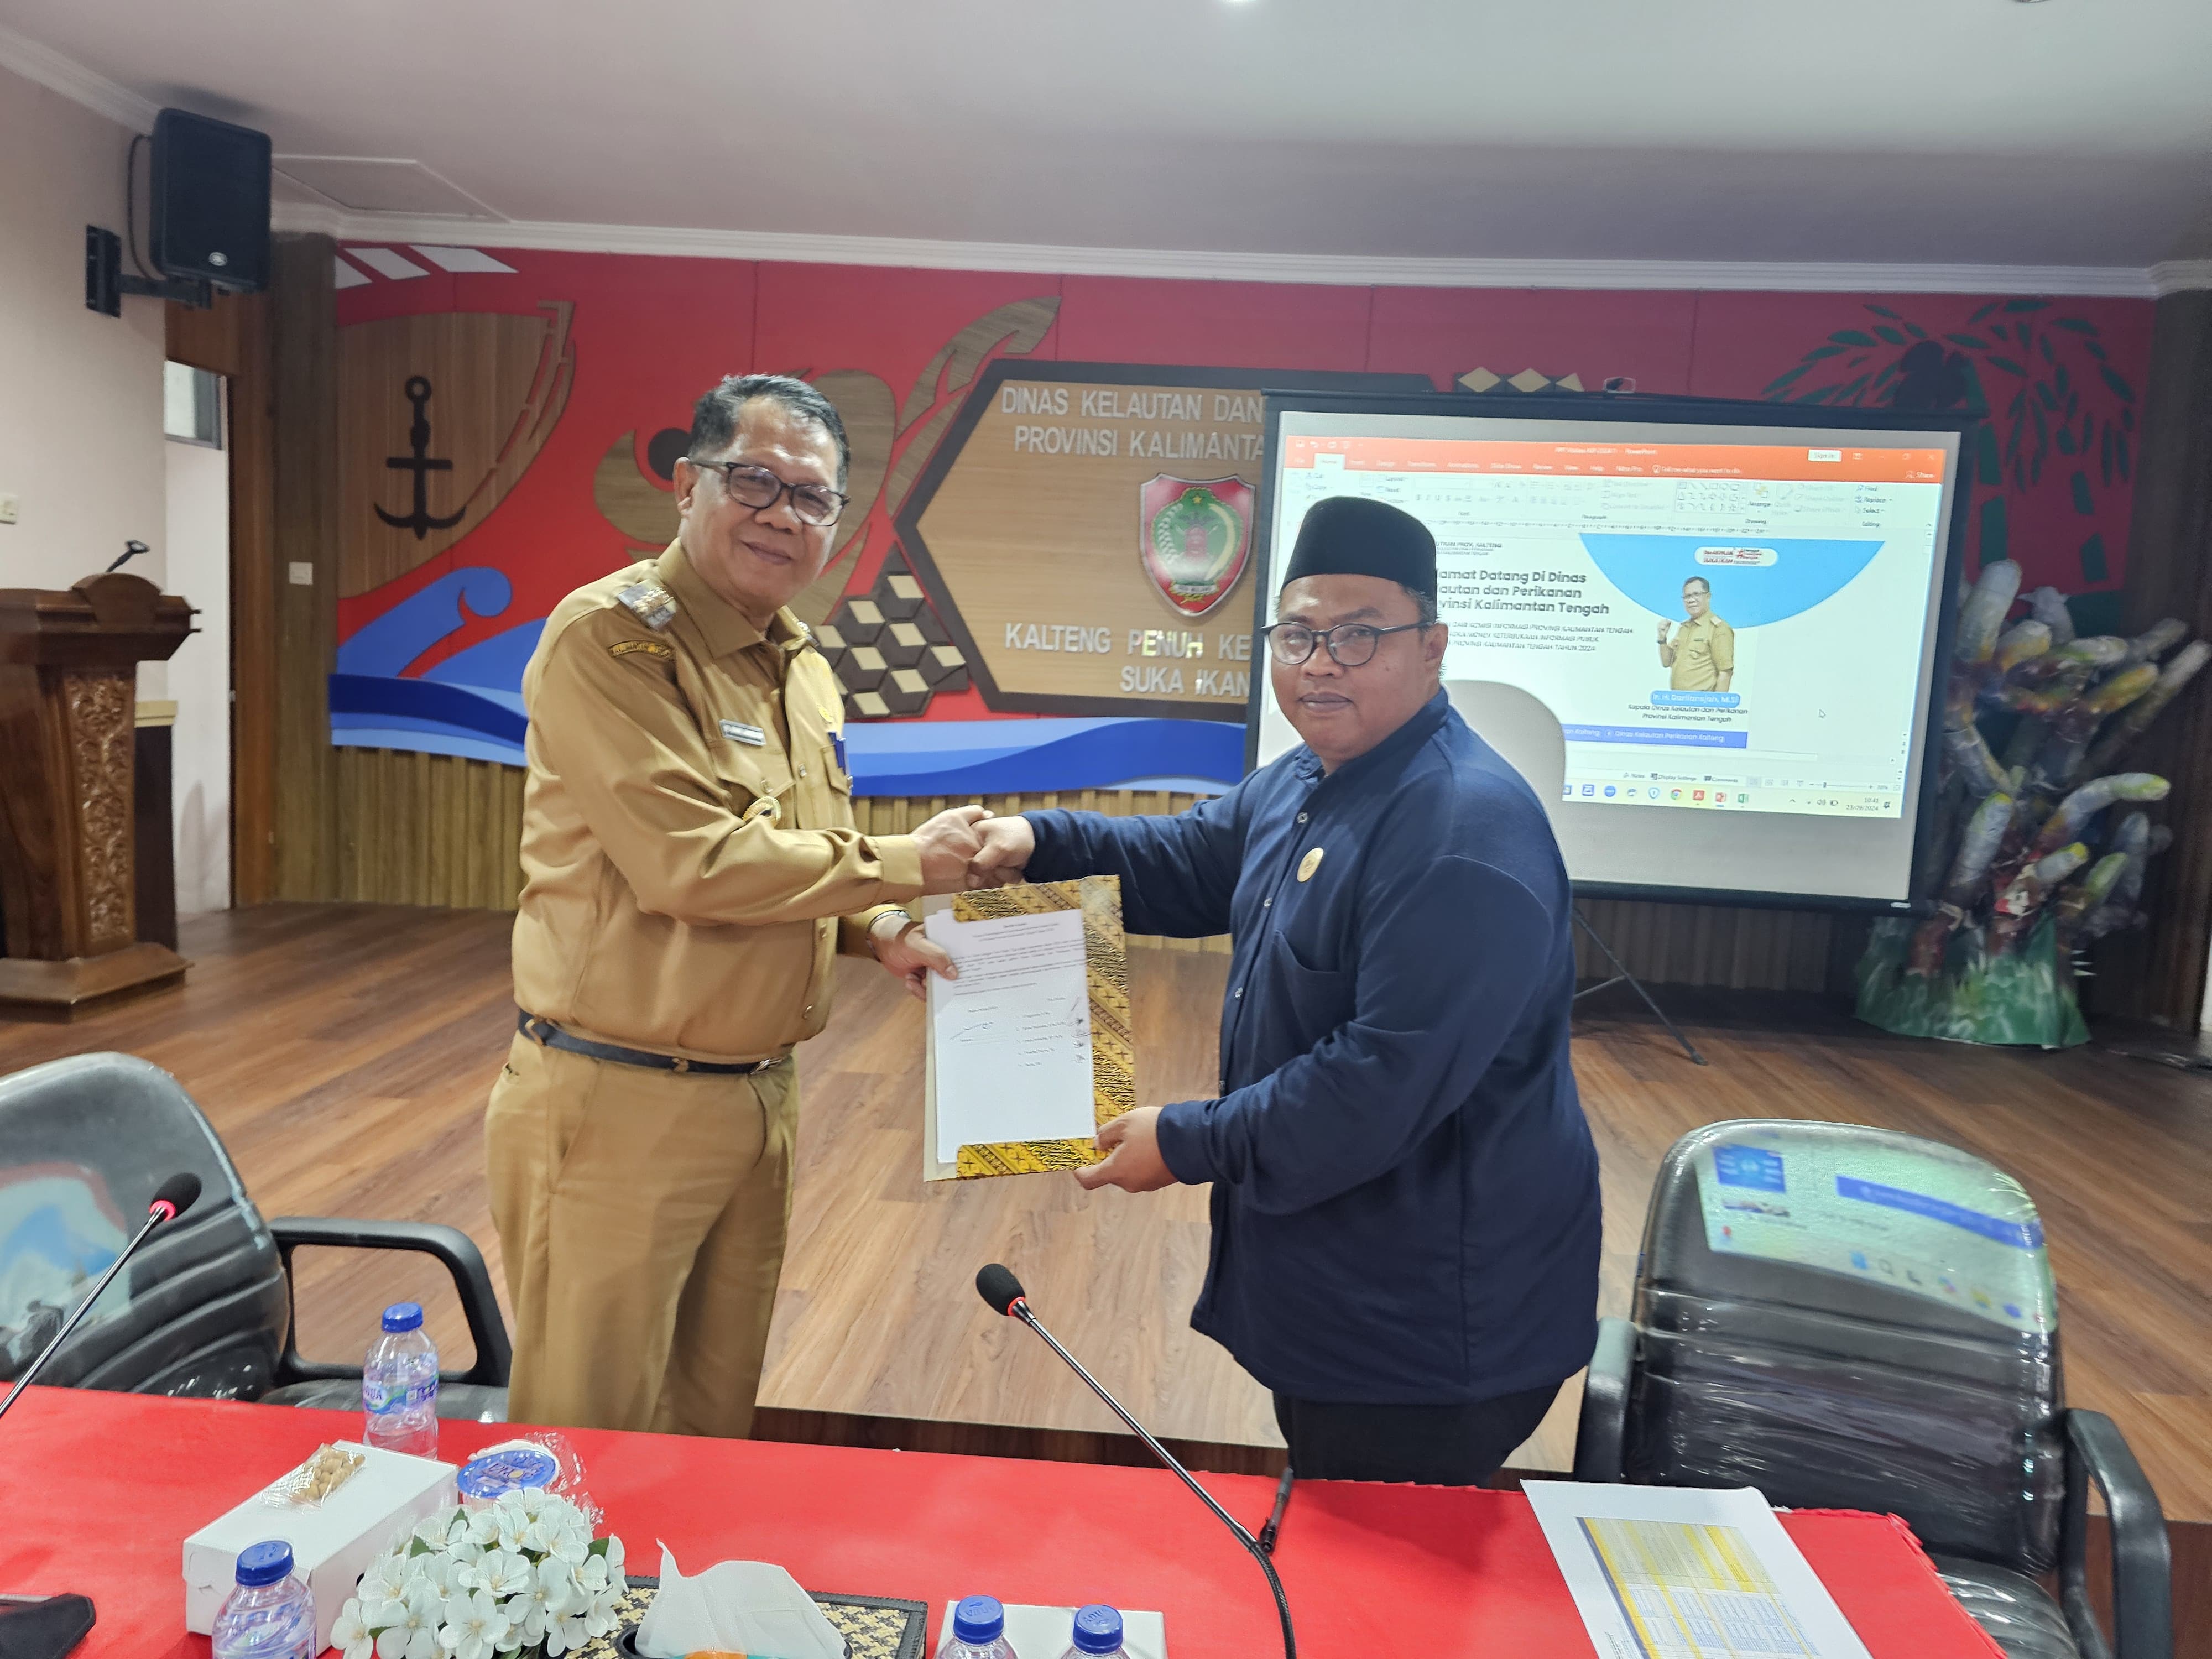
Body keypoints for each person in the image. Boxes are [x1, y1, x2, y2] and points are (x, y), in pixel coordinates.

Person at [966, 495, 1601, 1485]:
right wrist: (1039, 840)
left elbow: (1376, 1084)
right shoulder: (1314, 774)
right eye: (1300, 635)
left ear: (1432, 648)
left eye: (1359, 636)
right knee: (1332, 1522)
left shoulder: (1460, 831)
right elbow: (1188, 859)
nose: (1321, 663)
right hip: (1350, 1283)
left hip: (1433, 1328)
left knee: (1378, 1554)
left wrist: (1189, 1141)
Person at [485, 373, 976, 1437]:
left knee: (712, 1427)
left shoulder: (799, 664)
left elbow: (793, 848)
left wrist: (877, 929)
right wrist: (906, 866)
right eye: (755, 482)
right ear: (685, 484)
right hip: (617, 1100)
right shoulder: (611, 641)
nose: (782, 516)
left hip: (760, 1098)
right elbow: (690, 865)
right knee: (584, 1431)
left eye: (813, 498)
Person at [1657, 576, 1734, 692]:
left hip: (1702, 700)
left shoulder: (1719, 629)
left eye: (1697, 594)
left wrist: (1716, 703)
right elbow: (1666, 662)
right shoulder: (1685, 628)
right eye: (1687, 596)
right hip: (1677, 698)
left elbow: (1725, 673)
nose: (1691, 600)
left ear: (1708, 596)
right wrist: (1662, 639)